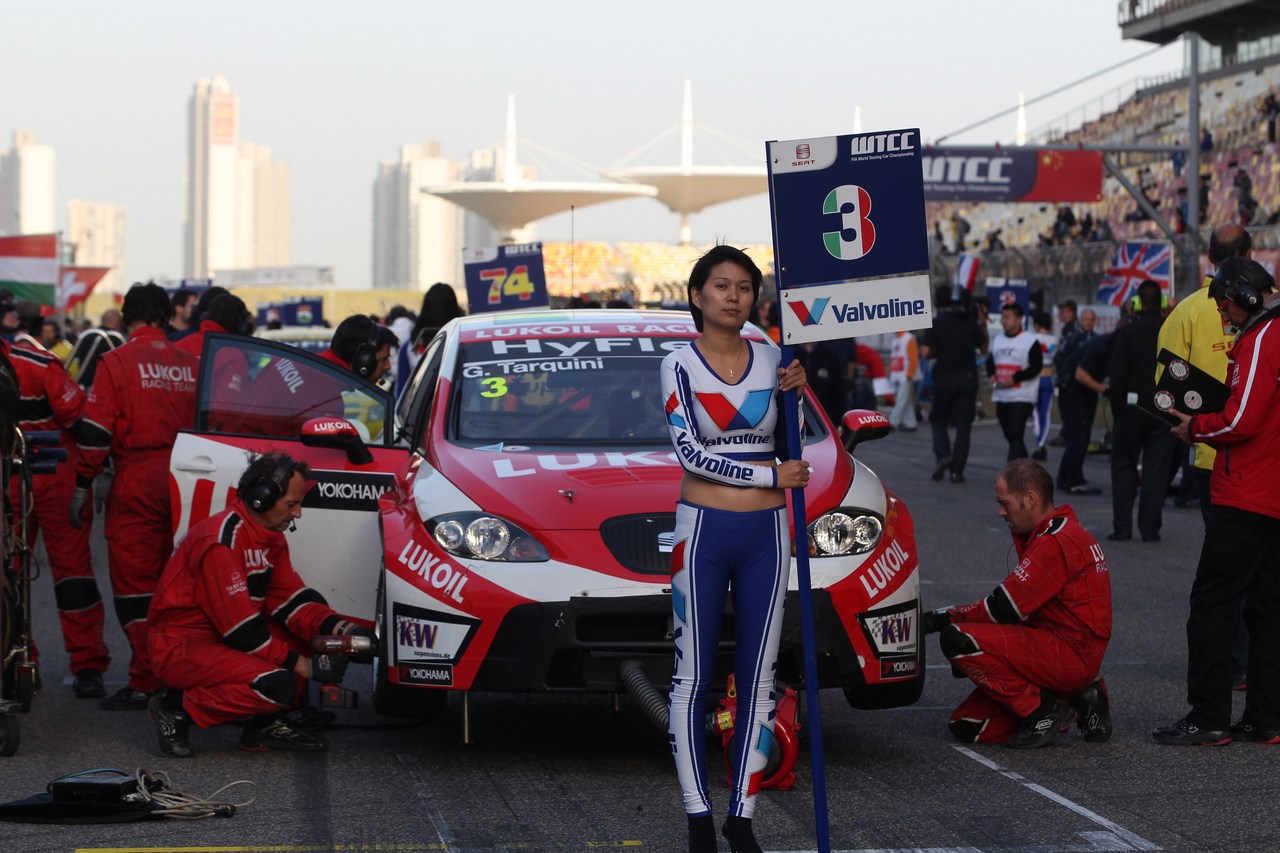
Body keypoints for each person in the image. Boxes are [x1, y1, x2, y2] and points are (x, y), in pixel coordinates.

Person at [660, 244, 809, 853]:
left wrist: (796, 394)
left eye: (744, 287)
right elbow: (689, 452)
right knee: (692, 678)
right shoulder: (676, 365)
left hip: (768, 539)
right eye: (721, 286)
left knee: (759, 679)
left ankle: (741, 816)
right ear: (698, 295)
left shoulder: (777, 359)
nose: (733, 296)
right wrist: (772, 477)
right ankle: (698, 816)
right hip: (702, 534)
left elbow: (791, 444)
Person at [147, 452, 374, 757]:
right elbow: (243, 633)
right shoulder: (221, 544)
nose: (298, 514)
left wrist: (346, 632)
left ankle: (266, 725)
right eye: (292, 504)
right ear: (261, 499)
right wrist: (307, 667)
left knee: (312, 639)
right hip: (181, 647)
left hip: (222, 637)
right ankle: (175, 709)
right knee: (279, 685)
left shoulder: (268, 537)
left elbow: (293, 602)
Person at [1154, 258, 1280, 746]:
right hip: (1268, 492)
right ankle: (1265, 717)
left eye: (1224, 301)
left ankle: (1208, 717)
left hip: (1246, 493)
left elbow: (1241, 419)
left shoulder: (1264, 336)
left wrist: (1196, 427)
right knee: (1268, 610)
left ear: (1246, 296)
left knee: (1211, 605)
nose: (1222, 312)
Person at [922, 459, 1112, 747]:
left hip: (1069, 653)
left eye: (1004, 503)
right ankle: (1079, 700)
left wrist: (943, 618)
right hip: (1064, 649)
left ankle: (1044, 709)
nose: (1000, 512)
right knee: (967, 726)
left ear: (1030, 499)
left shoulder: (1055, 541)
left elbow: (1002, 609)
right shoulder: (1061, 530)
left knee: (958, 639)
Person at [70, 283, 198, 710]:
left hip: (137, 478)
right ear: (165, 317)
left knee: (135, 587)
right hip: (189, 476)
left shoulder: (115, 361)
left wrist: (83, 483)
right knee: (178, 584)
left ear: (127, 319)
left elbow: (96, 433)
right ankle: (184, 674)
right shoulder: (193, 364)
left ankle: (148, 679)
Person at [1158, 224, 1252, 686]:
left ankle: (1235, 665)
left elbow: (1165, 386)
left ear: (1209, 254)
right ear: (1250, 253)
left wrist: (1188, 426)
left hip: (1212, 455)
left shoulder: (1188, 309)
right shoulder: (1270, 311)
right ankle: (1252, 663)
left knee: (1225, 572)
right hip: (1260, 457)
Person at [1, 330, 111, 699]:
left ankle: (86, 663)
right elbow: (82, 419)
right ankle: (18, 660)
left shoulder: (37, 364)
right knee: (12, 577)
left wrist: (83, 480)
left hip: (52, 474)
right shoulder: (37, 363)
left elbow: (81, 420)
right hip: (21, 476)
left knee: (70, 573)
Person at [1107, 281, 1173, 543]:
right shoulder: (1170, 331)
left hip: (1131, 409)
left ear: (1136, 303)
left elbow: (1117, 374)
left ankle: (1122, 528)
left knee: (1124, 466)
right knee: (1156, 470)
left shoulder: (1127, 331)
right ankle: (1150, 529)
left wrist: (1118, 408)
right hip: (1162, 409)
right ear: (1162, 304)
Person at [920, 286, 987, 484]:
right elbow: (984, 347)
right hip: (967, 379)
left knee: (938, 420)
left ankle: (943, 456)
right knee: (963, 426)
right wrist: (982, 322)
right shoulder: (971, 323)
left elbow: (925, 352)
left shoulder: (937, 323)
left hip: (944, 378)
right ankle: (957, 471)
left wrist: (939, 351)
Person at [987, 303, 1043, 462]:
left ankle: (1011, 472)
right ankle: (1026, 463)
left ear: (1019, 320)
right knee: (1011, 435)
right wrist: (991, 374)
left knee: (1015, 432)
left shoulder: (1030, 341)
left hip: (1021, 395)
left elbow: (1036, 367)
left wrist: (1015, 378)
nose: (1004, 321)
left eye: (1008, 318)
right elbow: (990, 361)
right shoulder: (998, 339)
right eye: (1003, 318)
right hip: (1001, 394)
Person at [1030, 311, 1057, 460]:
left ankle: (1038, 444)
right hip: (1048, 377)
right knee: (1045, 414)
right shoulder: (1054, 339)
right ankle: (1041, 444)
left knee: (1035, 413)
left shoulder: (1033, 338)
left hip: (1035, 378)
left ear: (1037, 325)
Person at [887, 329, 921, 432]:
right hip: (897, 374)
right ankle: (911, 423)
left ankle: (892, 422)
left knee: (901, 399)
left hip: (906, 374)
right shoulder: (896, 339)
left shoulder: (909, 338)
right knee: (905, 400)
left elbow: (914, 358)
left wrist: (910, 373)